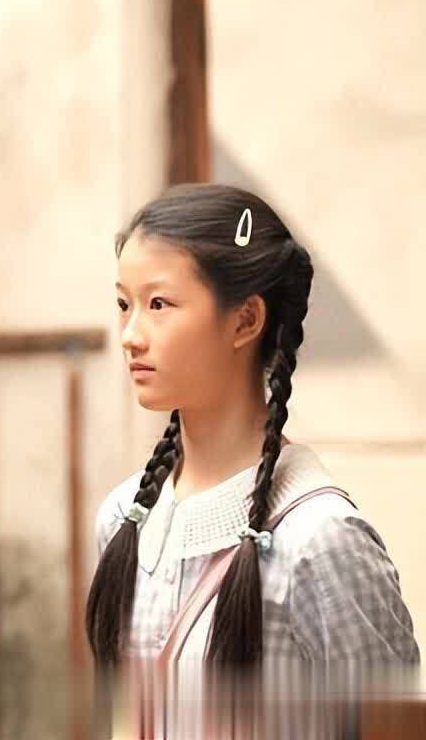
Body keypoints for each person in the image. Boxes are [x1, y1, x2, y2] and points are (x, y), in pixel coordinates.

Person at [85, 184, 418, 731]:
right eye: (125, 305)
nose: (131, 335)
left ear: (245, 320)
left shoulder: (320, 541)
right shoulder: (124, 519)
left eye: (159, 305)